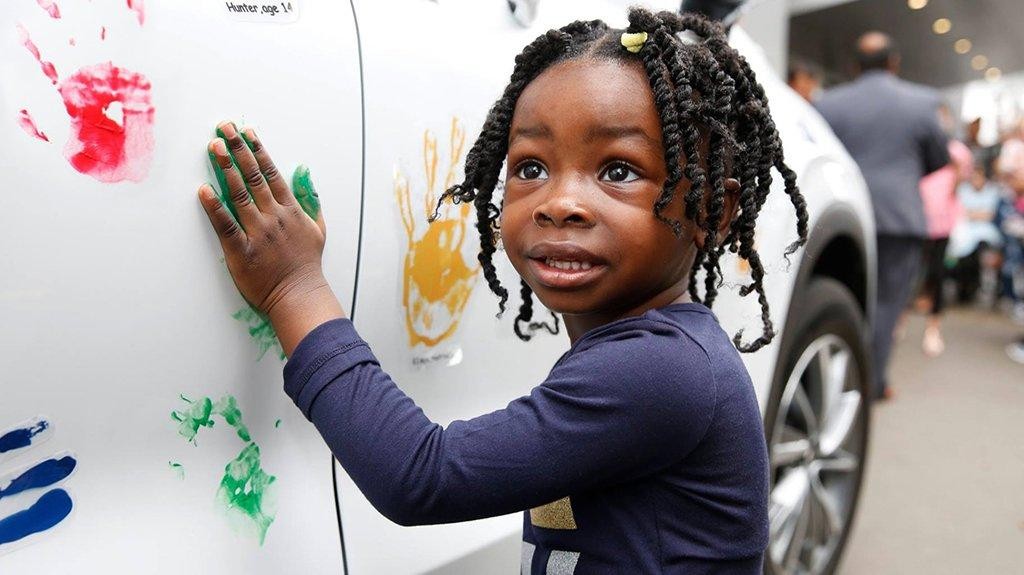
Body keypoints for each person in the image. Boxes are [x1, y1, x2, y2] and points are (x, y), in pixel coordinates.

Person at [195, 9, 808, 573]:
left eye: (617, 171)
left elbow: (422, 476)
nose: (560, 203)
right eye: (531, 168)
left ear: (714, 210)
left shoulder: (664, 371)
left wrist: (294, 290)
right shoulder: (653, 351)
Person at [816, 32, 949, 399]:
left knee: (839, 296)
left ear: (854, 66)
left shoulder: (828, 103)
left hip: (840, 213)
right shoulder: (923, 102)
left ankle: (824, 381)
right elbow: (940, 158)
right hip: (899, 216)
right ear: (894, 63)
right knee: (888, 304)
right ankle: (869, 384)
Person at [916, 105, 973, 356]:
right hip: (918, 218)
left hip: (943, 221)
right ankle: (900, 322)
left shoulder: (958, 152)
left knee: (937, 272)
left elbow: (961, 180)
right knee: (912, 273)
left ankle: (933, 328)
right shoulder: (921, 146)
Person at [949, 163, 1004, 302]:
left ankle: (979, 289)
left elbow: (989, 215)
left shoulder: (992, 191)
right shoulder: (964, 190)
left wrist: (972, 214)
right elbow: (960, 212)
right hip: (964, 231)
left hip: (984, 233)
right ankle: (962, 289)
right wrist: (975, 214)